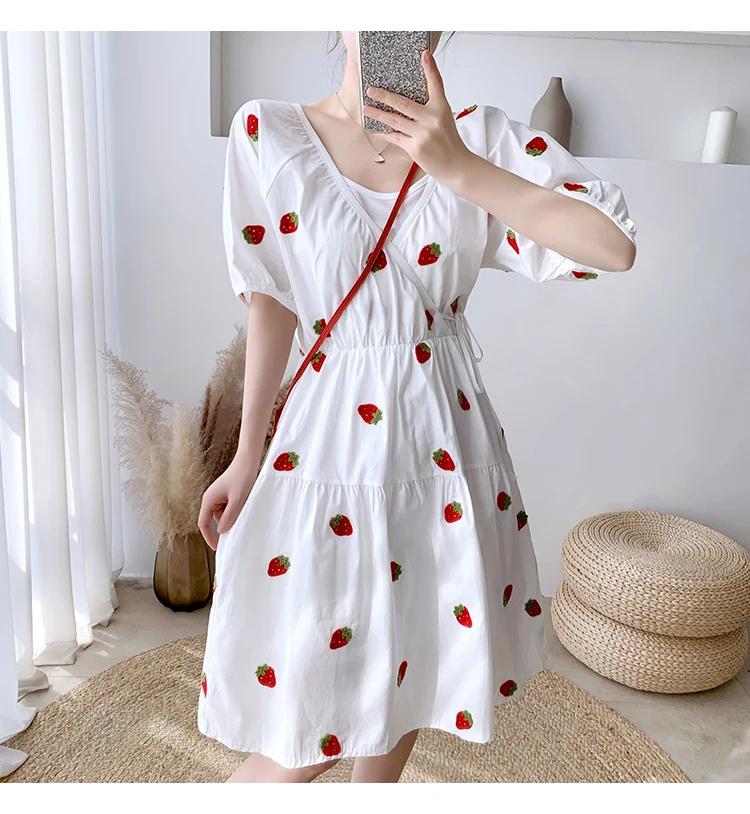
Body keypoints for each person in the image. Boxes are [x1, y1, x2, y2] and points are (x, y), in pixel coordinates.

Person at [197, 30, 637, 783]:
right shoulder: (269, 132)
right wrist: (247, 454)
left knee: (410, 673)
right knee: (310, 713)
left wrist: (458, 166)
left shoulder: (479, 137)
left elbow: (614, 246)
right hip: (328, 449)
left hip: (444, 450)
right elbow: (271, 299)